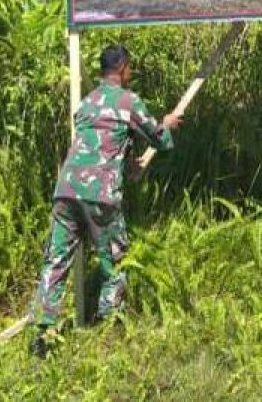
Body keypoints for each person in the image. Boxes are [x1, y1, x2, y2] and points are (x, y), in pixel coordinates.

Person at [29, 44, 181, 357]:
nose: (131, 73)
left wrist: (127, 166)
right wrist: (168, 123)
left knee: (56, 261)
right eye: (130, 68)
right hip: (100, 194)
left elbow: (99, 143)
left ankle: (41, 336)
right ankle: (107, 328)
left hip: (66, 189)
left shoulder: (86, 104)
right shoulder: (128, 101)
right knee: (116, 258)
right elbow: (160, 140)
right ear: (123, 68)